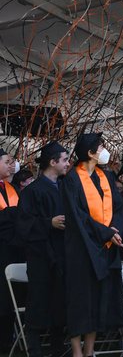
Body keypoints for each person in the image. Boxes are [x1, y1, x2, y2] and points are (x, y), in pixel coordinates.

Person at [61, 132, 123, 357]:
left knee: (98, 300)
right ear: (89, 153)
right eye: (100, 147)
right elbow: (78, 217)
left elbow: (119, 207)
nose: (104, 151)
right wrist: (107, 232)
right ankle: (77, 351)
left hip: (105, 248)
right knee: (80, 301)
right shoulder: (71, 180)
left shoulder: (106, 177)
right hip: (81, 248)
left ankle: (90, 351)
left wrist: (114, 230)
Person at [17, 142, 70, 357]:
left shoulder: (65, 187)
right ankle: (35, 347)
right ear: (52, 162)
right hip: (40, 255)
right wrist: (49, 223)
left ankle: (57, 345)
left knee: (60, 300)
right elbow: (24, 225)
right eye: (65, 160)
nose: (68, 164)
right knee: (38, 299)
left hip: (62, 252)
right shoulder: (33, 191)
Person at [0, 148, 21, 351]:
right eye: (7, 161)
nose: (11, 164)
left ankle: (6, 342)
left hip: (11, 249)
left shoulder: (11, 188)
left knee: (8, 297)